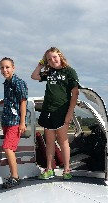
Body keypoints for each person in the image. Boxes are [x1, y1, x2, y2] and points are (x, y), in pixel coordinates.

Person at [31, 47, 79, 180]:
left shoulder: (70, 71)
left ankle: (67, 170)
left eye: (54, 57)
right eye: (49, 59)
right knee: (50, 142)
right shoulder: (50, 72)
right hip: (47, 111)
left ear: (60, 56)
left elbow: (75, 94)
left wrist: (69, 114)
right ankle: (49, 169)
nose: (53, 60)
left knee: (63, 141)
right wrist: (41, 64)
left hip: (61, 111)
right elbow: (34, 76)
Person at [0, 57, 28, 189]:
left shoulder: (19, 83)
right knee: (9, 148)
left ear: (13, 68)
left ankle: (15, 177)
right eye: (2, 68)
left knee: (7, 147)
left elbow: (23, 102)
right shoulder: (7, 83)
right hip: (7, 120)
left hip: (15, 121)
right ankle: (13, 175)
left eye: (7, 67)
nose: (4, 70)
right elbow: (9, 99)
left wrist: (22, 122)